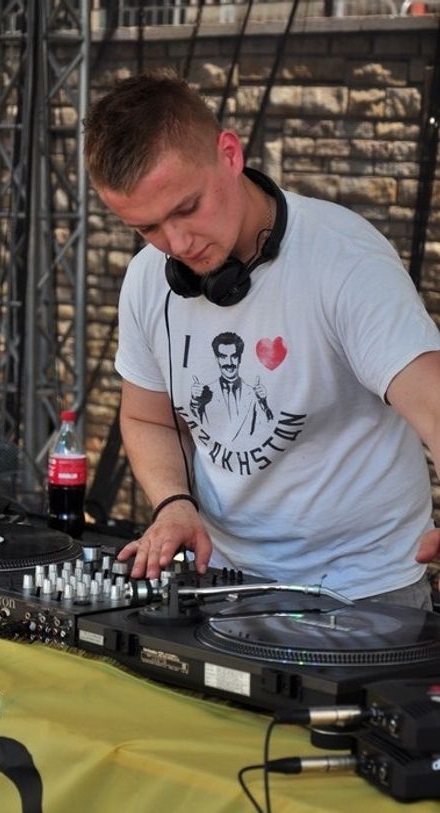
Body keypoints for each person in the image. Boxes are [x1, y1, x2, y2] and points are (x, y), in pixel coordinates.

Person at [84, 70, 440, 608]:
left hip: (363, 590)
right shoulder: (147, 280)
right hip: (227, 579)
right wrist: (174, 503)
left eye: (186, 208)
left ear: (230, 154)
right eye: (147, 228)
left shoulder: (344, 261)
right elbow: (147, 419)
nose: (177, 244)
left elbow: (432, 401)